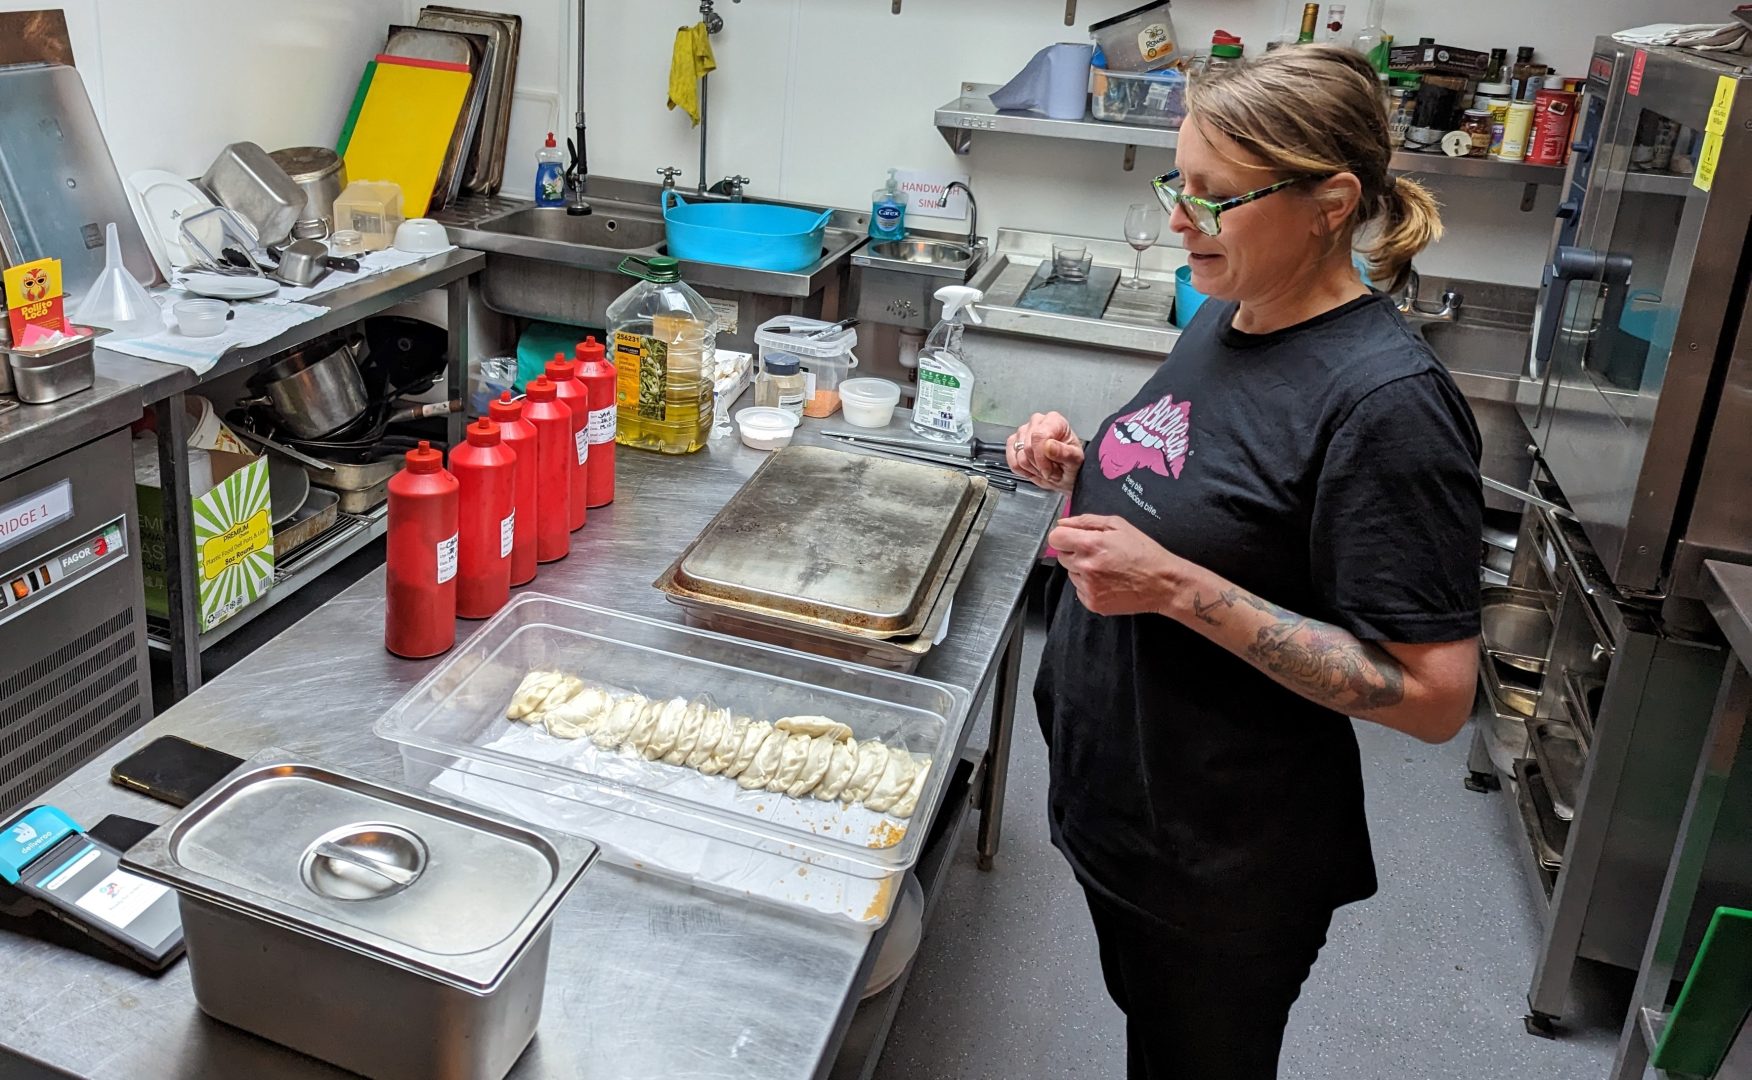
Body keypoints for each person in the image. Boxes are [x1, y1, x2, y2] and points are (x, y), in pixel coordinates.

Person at [1007, 46, 1483, 1080]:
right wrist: (1078, 467)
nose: (1178, 217)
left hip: (1220, 863)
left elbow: (1436, 696)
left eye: (1214, 196)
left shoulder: (1388, 405)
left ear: (1329, 202)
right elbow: (1203, 489)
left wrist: (1176, 588)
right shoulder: (1232, 309)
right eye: (1177, 182)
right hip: (1125, 804)